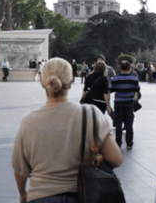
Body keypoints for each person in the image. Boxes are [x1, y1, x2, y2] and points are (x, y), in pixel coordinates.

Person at [12, 58, 122, 203]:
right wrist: (96, 158)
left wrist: (22, 194)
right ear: (70, 82)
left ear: (43, 82)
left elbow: (20, 170)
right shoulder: (90, 114)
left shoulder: (29, 121)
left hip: (41, 196)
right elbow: (116, 159)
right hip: (82, 195)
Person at [109, 60, 140, 149]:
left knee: (118, 122)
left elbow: (111, 89)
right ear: (130, 68)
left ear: (120, 68)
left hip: (118, 102)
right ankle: (129, 143)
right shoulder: (134, 78)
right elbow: (137, 89)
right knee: (129, 123)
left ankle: (118, 143)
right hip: (129, 102)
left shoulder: (115, 78)